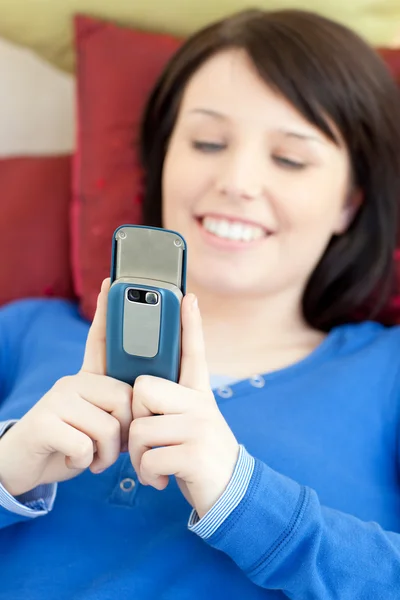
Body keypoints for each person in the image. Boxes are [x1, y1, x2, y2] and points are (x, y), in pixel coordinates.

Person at [0, 8, 399, 599]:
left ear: (350, 201)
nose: (237, 180)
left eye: (289, 158)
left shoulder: (387, 372)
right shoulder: (27, 330)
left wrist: (245, 499)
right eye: (207, 142)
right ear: (163, 163)